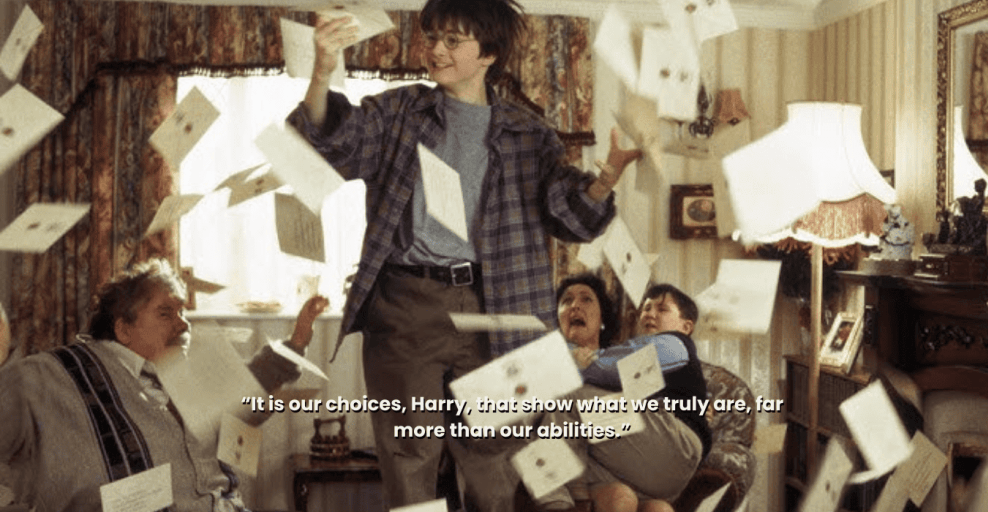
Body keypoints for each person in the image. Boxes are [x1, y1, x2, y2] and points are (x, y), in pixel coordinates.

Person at [286, 1, 642, 510]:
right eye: (431, 36)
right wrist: (322, 72)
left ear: (489, 54)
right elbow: (332, 145)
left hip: (497, 304)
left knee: (493, 458)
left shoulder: (529, 135)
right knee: (411, 453)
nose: (436, 49)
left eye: (453, 41)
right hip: (407, 304)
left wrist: (606, 178)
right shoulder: (398, 112)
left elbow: (571, 219)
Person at [0, 258, 329, 512]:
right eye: (165, 313)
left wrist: (296, 342)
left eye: (182, 311)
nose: (183, 324)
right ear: (124, 329)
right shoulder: (52, 375)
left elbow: (248, 390)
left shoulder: (182, 371)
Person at [544, 275, 711, 512]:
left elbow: (617, 369)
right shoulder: (627, 357)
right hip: (645, 469)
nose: (650, 314)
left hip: (671, 446)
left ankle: (555, 500)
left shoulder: (675, 344)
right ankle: (568, 492)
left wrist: (578, 366)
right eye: (646, 308)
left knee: (569, 397)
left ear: (686, 327)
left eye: (662, 309)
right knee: (651, 507)